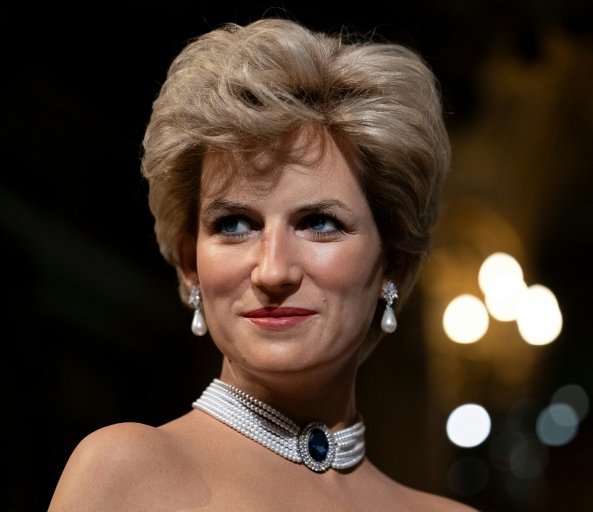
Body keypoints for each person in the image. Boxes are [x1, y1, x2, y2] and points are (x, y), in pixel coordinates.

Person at [48, 17, 477, 512]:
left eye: (318, 223)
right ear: (190, 264)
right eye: (234, 225)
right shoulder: (126, 472)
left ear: (393, 265)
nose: (273, 272)